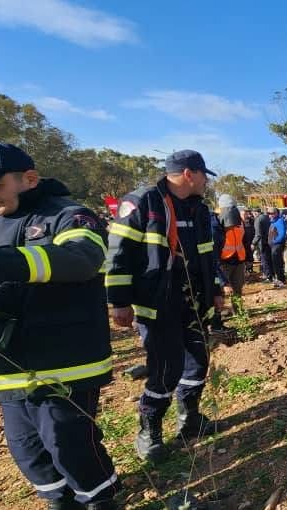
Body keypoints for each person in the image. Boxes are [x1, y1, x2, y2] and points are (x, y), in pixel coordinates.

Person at [0, 141, 120, 510]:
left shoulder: (68, 215)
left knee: (67, 438)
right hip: (6, 362)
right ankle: (59, 505)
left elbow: (81, 259)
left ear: (28, 178)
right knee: (25, 447)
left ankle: (102, 505)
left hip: (65, 356)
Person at [106, 149, 225, 464]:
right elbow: (119, 253)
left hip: (193, 302)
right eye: (203, 176)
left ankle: (190, 419)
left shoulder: (199, 209)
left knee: (198, 360)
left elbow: (207, 255)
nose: (205, 182)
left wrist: (214, 289)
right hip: (157, 303)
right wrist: (119, 301)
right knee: (166, 368)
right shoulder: (143, 202)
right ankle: (150, 430)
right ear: (189, 174)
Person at [217, 195, 247, 309]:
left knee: (237, 288)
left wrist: (248, 258)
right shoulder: (217, 221)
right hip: (224, 262)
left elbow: (244, 240)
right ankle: (221, 311)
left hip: (239, 260)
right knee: (223, 289)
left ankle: (238, 310)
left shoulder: (239, 221)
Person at [268, 208, 287, 288]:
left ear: (277, 213)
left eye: (272, 213)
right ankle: (280, 280)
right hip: (274, 246)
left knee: (278, 264)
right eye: (269, 213)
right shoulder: (273, 221)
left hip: (277, 246)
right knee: (276, 264)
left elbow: (282, 234)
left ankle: (281, 281)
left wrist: (274, 241)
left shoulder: (279, 221)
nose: (270, 215)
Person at [253, 207, 273, 282]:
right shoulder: (267, 218)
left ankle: (267, 276)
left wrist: (253, 243)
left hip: (262, 243)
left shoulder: (258, 219)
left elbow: (258, 234)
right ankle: (271, 274)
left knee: (264, 260)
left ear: (255, 213)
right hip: (269, 242)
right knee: (269, 259)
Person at [241, 209, 255, 274]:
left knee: (250, 257)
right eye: (243, 214)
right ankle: (245, 270)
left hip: (250, 242)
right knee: (244, 257)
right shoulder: (239, 223)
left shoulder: (251, 222)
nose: (245, 215)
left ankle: (250, 269)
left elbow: (254, 232)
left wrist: (253, 242)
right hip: (242, 244)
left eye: (246, 214)